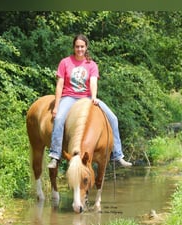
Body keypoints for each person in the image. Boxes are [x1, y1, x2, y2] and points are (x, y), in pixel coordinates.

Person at [48, 34, 132, 169]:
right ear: (73, 47)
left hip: (87, 97)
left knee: (113, 118)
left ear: (86, 47)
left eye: (82, 46)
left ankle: (118, 155)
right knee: (58, 119)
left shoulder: (91, 65)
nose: (79, 49)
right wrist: (56, 106)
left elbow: (93, 82)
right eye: (77, 47)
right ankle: (55, 155)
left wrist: (94, 96)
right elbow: (59, 84)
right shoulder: (65, 62)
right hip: (69, 97)